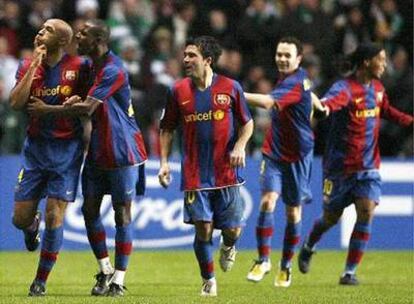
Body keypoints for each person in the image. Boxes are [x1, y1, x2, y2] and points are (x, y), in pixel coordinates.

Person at [297, 42, 414, 285]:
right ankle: (309, 244)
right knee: (330, 218)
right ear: (365, 62)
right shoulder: (345, 89)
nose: (384, 64)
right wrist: (321, 109)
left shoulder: (378, 89)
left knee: (366, 211)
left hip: (368, 167)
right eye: (380, 59)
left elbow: (387, 111)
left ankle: (349, 272)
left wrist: (409, 121)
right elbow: (328, 105)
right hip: (339, 169)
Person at [158, 36, 253, 297]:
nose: (186, 59)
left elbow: (247, 123)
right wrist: (165, 162)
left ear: (207, 60)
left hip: (227, 172)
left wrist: (240, 146)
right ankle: (208, 279)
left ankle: (229, 246)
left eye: (192, 55)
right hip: (194, 173)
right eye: (185, 55)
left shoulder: (231, 87)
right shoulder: (177, 91)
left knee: (232, 230)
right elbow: (166, 129)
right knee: (203, 227)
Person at [66, 19, 147, 297]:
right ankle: (104, 270)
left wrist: (44, 110)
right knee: (89, 210)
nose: (78, 35)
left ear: (99, 40)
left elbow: (87, 108)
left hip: (122, 150)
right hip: (99, 150)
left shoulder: (113, 70)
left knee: (121, 214)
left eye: (84, 33)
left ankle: (119, 280)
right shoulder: (91, 67)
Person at [9, 19, 90, 296]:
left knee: (55, 214)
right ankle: (31, 228)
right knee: (19, 219)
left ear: (63, 42)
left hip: (66, 150)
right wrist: (33, 65)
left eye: (48, 30)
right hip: (35, 150)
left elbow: (91, 107)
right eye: (41, 28)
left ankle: (40, 281)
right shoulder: (28, 64)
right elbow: (16, 103)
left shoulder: (80, 67)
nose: (40, 32)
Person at [244, 36, 327, 287]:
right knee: (268, 201)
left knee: (293, 212)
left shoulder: (294, 82)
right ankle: (263, 260)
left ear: (298, 59)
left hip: (299, 156)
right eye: (279, 54)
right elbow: (309, 91)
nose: (281, 58)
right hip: (274, 152)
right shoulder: (298, 80)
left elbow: (269, 102)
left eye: (287, 55)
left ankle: (286, 265)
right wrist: (318, 105)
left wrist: (233, 92)